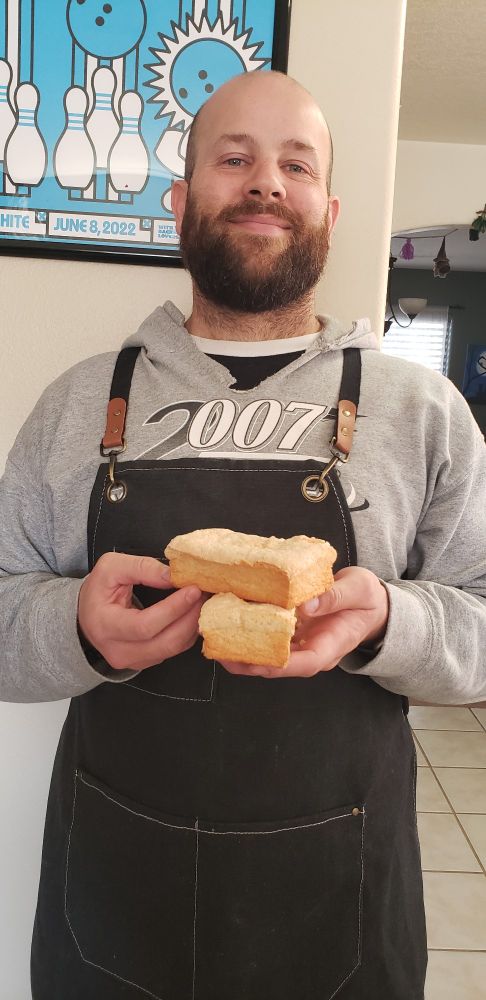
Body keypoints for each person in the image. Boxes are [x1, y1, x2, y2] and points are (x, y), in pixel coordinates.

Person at [1, 70, 485, 1000]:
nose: (266, 182)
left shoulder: (420, 410)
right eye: (234, 158)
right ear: (182, 202)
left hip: (335, 909)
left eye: (295, 165)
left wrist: (391, 620)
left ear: (329, 211)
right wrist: (75, 628)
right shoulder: (77, 403)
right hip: (113, 897)